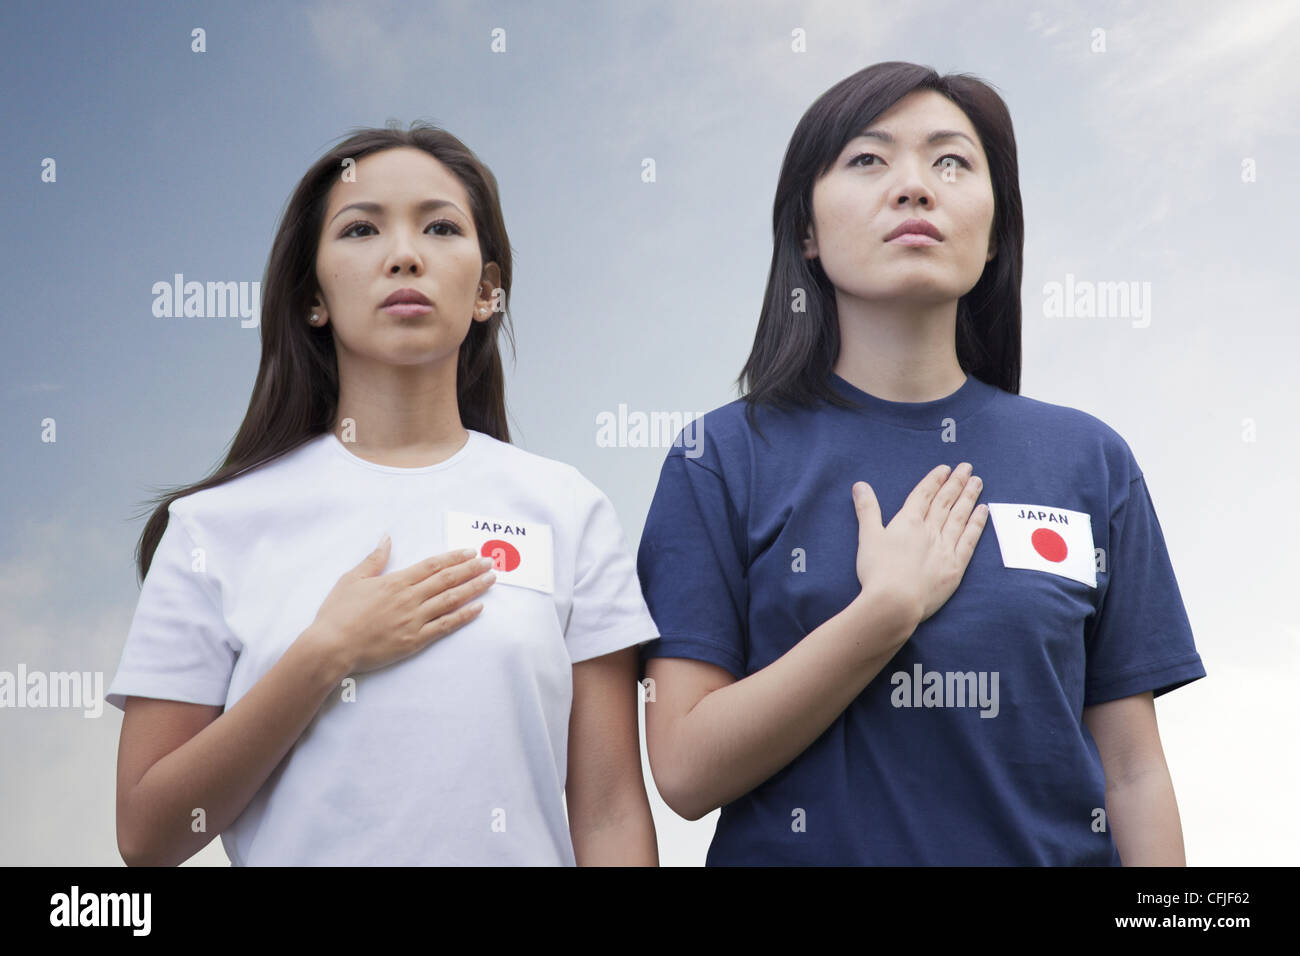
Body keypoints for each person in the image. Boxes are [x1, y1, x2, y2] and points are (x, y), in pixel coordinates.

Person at [635, 62, 1205, 866]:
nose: (913, 187)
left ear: (997, 227)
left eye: (951, 162)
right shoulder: (721, 457)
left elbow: (1136, 771)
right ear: (806, 229)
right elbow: (685, 772)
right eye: (868, 160)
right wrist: (884, 613)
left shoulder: (1088, 459)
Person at [108, 124, 660, 866]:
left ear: (486, 293)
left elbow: (611, 815)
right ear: (312, 297)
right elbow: (148, 836)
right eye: (362, 229)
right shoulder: (213, 526)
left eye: (440, 226)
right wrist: (325, 654)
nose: (406, 253)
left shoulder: (567, 508)